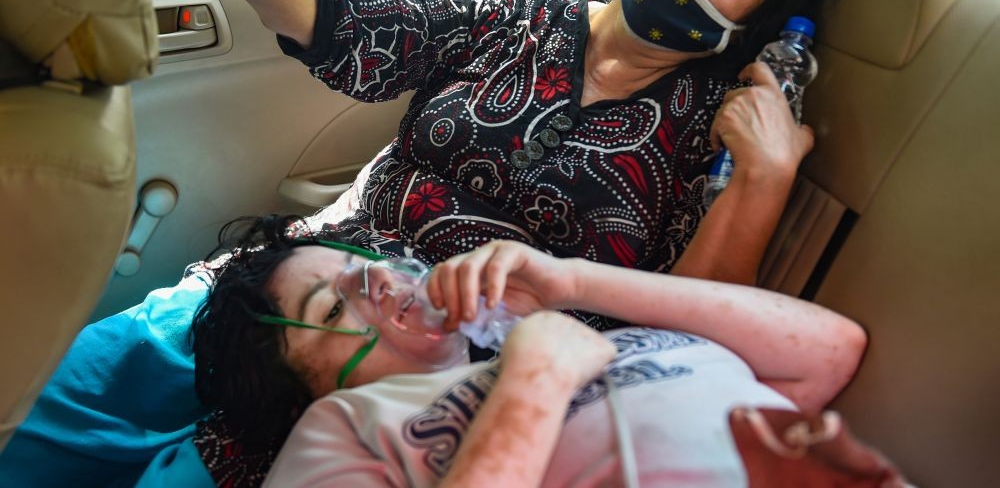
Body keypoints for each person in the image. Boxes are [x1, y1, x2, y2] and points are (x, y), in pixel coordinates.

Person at [155, 0, 854, 324]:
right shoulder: (506, 9)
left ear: (755, 19)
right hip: (304, 285)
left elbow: (686, 326)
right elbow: (323, 15)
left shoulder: (714, 130)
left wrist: (764, 175)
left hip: (445, 384)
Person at [192, 215, 904, 487]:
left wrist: (571, 281)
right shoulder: (338, 429)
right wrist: (534, 382)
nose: (375, 279)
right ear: (307, 392)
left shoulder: (572, 333)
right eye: (332, 308)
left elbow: (830, 350)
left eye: (360, 265)